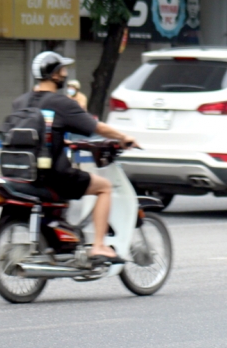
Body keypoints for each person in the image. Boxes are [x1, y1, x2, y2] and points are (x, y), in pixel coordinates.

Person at [15, 52, 138, 264]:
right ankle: (99, 246)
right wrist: (123, 137)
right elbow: (95, 127)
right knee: (104, 187)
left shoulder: (20, 102)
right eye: (62, 70)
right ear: (54, 75)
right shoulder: (61, 103)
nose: (65, 74)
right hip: (53, 175)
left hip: (23, 173)